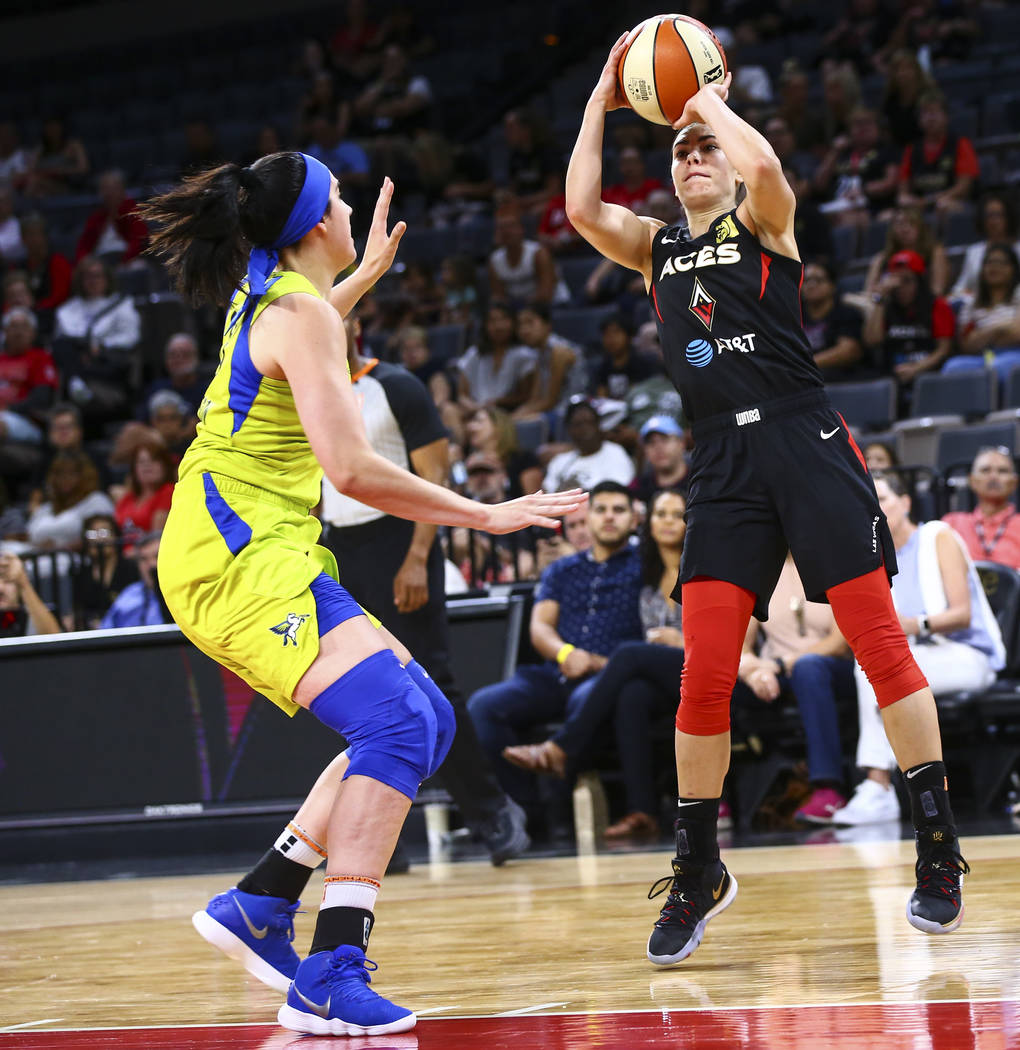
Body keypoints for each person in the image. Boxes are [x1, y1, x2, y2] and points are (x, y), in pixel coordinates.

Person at [141, 151, 583, 1035]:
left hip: (246, 544)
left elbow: (300, 342)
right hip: (234, 556)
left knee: (428, 716)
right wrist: (484, 514)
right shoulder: (297, 308)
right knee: (394, 722)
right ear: (314, 227)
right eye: (339, 199)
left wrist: (364, 278)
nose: (350, 208)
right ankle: (332, 968)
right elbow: (350, 468)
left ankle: (261, 903)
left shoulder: (274, 294)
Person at [565, 41, 970, 967]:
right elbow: (583, 208)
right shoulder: (655, 247)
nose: (694, 157)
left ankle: (938, 847)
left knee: (878, 642)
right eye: (680, 149)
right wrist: (600, 98)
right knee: (703, 671)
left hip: (804, 438)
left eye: (704, 146)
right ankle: (697, 863)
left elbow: (769, 167)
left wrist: (707, 102)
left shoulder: (767, 221)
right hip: (722, 462)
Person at [319, 320, 531, 865]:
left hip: (401, 540)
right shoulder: (305, 393)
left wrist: (417, 558)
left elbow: (436, 481)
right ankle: (381, 840)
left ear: (357, 324)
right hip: (337, 548)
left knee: (431, 681)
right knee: (356, 696)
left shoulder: (395, 386)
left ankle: (493, 813)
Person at [502, 489, 688, 839]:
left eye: (676, 514)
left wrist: (680, 641)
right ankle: (642, 811)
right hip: (653, 673)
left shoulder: (696, 562)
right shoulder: (648, 570)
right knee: (631, 693)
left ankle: (561, 750)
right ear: (647, 521)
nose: (667, 522)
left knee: (628, 655)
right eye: (660, 514)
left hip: (703, 662)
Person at [830, 474, 1004, 824]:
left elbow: (961, 613)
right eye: (869, 502)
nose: (875, 508)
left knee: (874, 670)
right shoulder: (871, 556)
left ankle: (878, 786)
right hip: (916, 656)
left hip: (966, 655)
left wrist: (917, 624)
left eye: (884, 498)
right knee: (872, 666)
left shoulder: (937, 536)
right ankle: (882, 789)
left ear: (906, 502)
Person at [467, 481, 643, 822]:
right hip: (556, 673)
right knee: (484, 706)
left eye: (619, 510)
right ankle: (527, 809)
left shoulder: (644, 565)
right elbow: (540, 628)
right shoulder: (562, 569)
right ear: (587, 518)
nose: (609, 518)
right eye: (601, 510)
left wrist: (595, 662)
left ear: (634, 519)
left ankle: (561, 805)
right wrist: (565, 654)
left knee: (584, 700)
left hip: (611, 675)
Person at [734, 551, 855, 823]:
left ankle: (828, 789)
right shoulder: (760, 569)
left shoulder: (833, 561)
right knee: (719, 677)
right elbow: (741, 644)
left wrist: (784, 662)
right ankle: (715, 798)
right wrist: (754, 671)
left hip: (832, 667)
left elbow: (839, 642)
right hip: (776, 670)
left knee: (808, 668)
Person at [863, 250, 954, 388]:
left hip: (929, 374)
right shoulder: (885, 307)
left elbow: (943, 350)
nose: (901, 288)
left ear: (920, 281)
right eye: (896, 281)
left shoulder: (937, 305)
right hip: (892, 376)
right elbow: (872, 340)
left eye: (907, 281)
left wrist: (916, 368)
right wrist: (880, 299)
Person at [941, 244, 1020, 386]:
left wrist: (982, 334)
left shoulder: (1018, 296)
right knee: (952, 367)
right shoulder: (970, 304)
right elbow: (967, 345)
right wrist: (1000, 329)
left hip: (1013, 354)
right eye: (989, 262)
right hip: (980, 357)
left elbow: (1017, 334)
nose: (994, 267)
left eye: (1001, 263)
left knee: (999, 367)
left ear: (1013, 269)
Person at [897, 93, 979, 217]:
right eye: (925, 113)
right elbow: (902, 191)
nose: (930, 118)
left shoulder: (960, 144)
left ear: (946, 117)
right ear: (919, 120)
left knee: (943, 206)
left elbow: (963, 188)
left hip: (956, 203)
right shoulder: (912, 149)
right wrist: (907, 199)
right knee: (892, 215)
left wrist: (930, 201)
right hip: (920, 205)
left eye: (935, 112)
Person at [942, 447, 1020, 570]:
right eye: (985, 470)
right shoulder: (951, 524)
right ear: (972, 480)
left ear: (1014, 482)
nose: (993, 476)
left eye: (1002, 471)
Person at [27, 449, 114, 550]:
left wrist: (60, 547)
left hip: (78, 561)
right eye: (59, 474)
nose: (65, 479)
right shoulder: (46, 508)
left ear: (85, 475)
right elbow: (30, 538)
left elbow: (103, 536)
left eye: (71, 474)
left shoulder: (96, 502)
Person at [542, 397, 635, 492]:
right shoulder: (560, 461)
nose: (586, 429)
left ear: (598, 425)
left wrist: (576, 492)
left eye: (590, 422)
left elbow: (619, 492)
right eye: (578, 424)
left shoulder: (615, 452)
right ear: (569, 430)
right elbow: (547, 493)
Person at [0, 307, 59, 446]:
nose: (19, 332)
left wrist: (7, 409)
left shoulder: (41, 358)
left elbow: (41, 399)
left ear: (33, 333)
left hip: (25, 420)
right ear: (4, 332)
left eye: (24, 327)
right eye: (13, 327)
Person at [949, 192, 1020, 305]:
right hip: (980, 308)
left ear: (1009, 217)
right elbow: (959, 289)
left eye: (999, 215)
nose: (993, 221)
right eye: (989, 215)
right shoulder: (974, 252)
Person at [800, 260, 865, 383]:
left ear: (832, 286)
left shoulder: (846, 313)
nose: (811, 285)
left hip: (839, 378)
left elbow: (848, 351)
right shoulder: (795, 317)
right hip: (804, 376)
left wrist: (805, 364)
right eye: (806, 280)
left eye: (818, 280)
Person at [73, 512, 138, 630]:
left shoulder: (130, 568)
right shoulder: (81, 573)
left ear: (116, 536)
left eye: (104, 532)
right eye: (92, 533)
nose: (99, 539)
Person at [75, 170, 149, 267]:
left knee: (138, 266)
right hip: (100, 263)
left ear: (122, 190)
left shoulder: (132, 209)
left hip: (126, 260)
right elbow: (84, 246)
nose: (108, 193)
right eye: (104, 189)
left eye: (112, 188)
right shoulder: (97, 217)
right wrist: (83, 262)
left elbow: (140, 239)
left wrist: (124, 260)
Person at [113, 436, 175, 548]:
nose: (147, 465)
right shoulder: (127, 497)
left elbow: (156, 538)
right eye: (141, 462)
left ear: (165, 466)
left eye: (154, 460)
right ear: (134, 469)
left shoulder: (168, 491)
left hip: (149, 557)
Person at [99, 532, 169, 629]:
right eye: (143, 559)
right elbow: (105, 633)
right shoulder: (129, 595)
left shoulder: (185, 593)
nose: (152, 565)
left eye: (157, 556)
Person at [630, 415, 688, 506]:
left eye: (665, 439)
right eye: (651, 442)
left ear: (681, 443)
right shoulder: (637, 489)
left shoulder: (702, 482)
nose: (658, 447)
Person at [0, 551, 61, 638]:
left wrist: (24, 584)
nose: (1, 589)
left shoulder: (29, 613)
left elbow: (53, 637)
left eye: (8, 581)